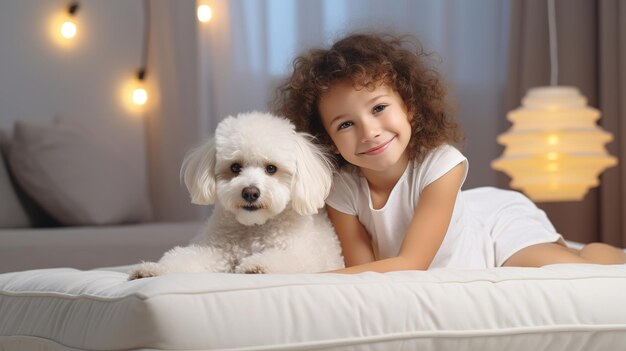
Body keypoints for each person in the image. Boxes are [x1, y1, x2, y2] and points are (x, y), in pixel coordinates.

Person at [273, 32, 626, 274]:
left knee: (566, 267)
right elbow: (363, 271)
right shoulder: (342, 189)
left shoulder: (441, 164)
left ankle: (601, 252)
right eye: (345, 125)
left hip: (494, 228)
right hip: (463, 219)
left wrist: (316, 281)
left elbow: (412, 263)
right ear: (330, 140)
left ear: (409, 106)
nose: (369, 131)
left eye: (379, 108)